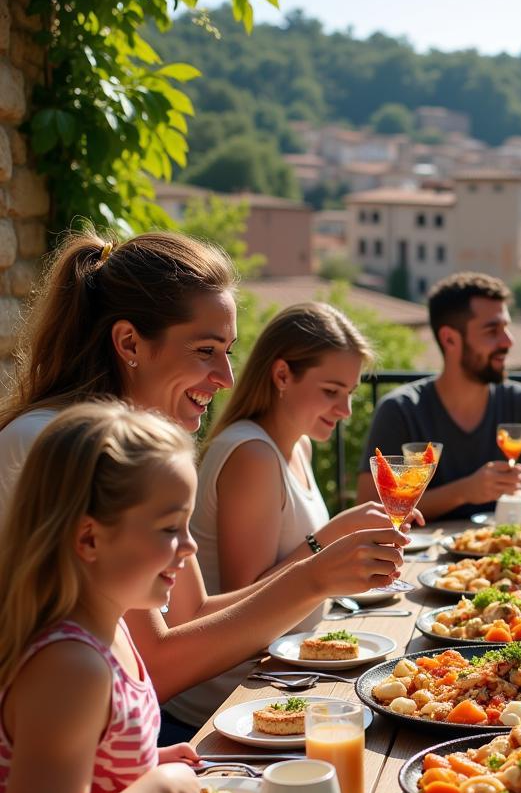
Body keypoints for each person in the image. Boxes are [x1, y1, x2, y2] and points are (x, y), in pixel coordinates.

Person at [0, 231, 407, 737]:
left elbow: (190, 614)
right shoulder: (59, 444)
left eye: (229, 350)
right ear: (129, 343)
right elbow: (157, 667)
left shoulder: (138, 443)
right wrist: (313, 576)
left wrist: (321, 564)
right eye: (206, 350)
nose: (227, 376)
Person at [0, 402, 205, 793]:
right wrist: (158, 792)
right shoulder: (70, 665)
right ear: (89, 537)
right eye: (171, 528)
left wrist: (144, 766)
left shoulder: (111, 630)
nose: (190, 547)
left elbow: (82, 773)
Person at [170, 302, 404, 729]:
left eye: (349, 393)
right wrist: (327, 540)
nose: (345, 410)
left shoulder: (298, 445)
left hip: (287, 674)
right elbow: (248, 606)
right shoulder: (252, 455)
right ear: (281, 376)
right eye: (331, 391)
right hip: (228, 705)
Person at [355, 271, 521, 520]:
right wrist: (465, 492)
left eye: (506, 328)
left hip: (507, 552)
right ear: (450, 339)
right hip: (423, 557)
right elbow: (371, 508)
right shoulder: (400, 410)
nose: (508, 341)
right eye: (492, 331)